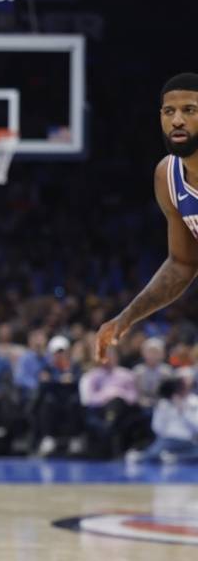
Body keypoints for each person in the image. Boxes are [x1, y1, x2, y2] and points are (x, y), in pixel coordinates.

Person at [96, 73, 198, 360]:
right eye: (169, 111)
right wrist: (128, 316)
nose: (177, 120)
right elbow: (183, 263)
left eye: (189, 110)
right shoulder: (168, 176)